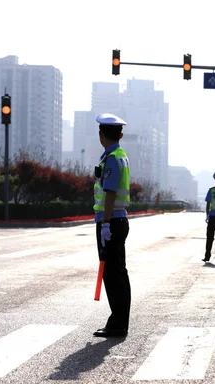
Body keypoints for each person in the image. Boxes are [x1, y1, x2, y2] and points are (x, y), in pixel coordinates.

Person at [93, 113, 131, 338]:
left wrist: (105, 224)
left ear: (101, 135)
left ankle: (117, 322)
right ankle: (119, 321)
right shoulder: (119, 155)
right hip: (117, 220)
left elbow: (109, 194)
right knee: (118, 272)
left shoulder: (112, 159)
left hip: (111, 221)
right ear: (120, 135)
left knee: (113, 273)